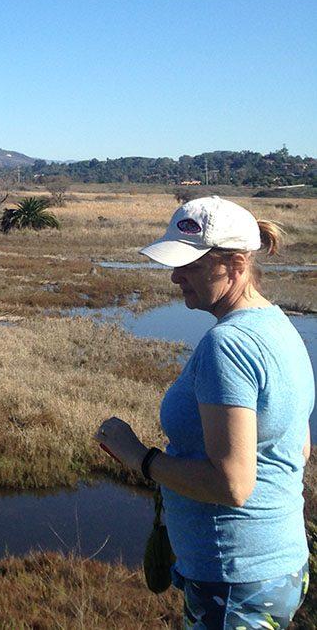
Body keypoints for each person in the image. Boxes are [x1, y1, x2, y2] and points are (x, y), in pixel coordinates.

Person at [93, 196, 314, 629]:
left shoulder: (227, 346)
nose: (175, 277)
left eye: (191, 266)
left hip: (234, 579)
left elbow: (231, 485)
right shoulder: (278, 325)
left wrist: (140, 457)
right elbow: (298, 448)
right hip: (277, 566)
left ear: (235, 265)